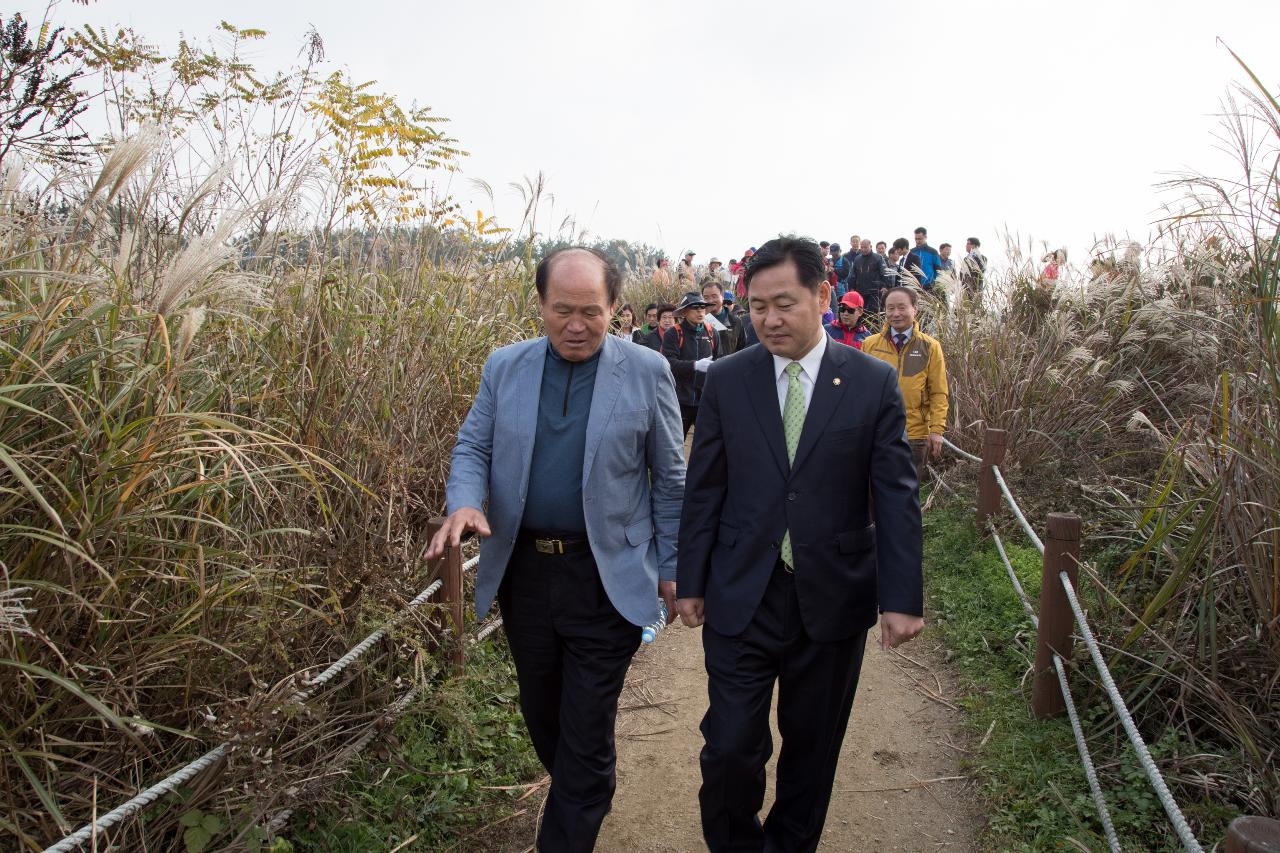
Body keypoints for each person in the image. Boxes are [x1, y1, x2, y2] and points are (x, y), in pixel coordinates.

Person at [426, 247, 685, 852]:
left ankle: (576, 809)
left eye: (591, 311)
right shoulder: (505, 367)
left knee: (586, 726)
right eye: (562, 309)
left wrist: (674, 566)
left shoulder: (647, 370)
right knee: (542, 713)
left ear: (615, 308)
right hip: (525, 576)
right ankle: (587, 783)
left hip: (607, 576)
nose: (576, 324)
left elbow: (671, 481)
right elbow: (473, 448)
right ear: (540, 305)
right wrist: (465, 500)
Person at [675, 236, 924, 853]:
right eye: (757, 306)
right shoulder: (730, 380)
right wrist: (691, 580)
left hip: (832, 598)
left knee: (812, 750)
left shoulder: (869, 383)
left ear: (822, 295)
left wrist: (902, 596)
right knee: (730, 748)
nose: (769, 319)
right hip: (742, 594)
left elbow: (895, 496)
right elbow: (704, 488)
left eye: (783, 303)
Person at [862, 285, 950, 485]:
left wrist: (936, 430)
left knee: (907, 495)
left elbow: (938, 392)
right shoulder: (870, 344)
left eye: (901, 307)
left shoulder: (930, 347)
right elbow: (861, 390)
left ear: (914, 309)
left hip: (915, 434)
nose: (895, 313)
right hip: (877, 432)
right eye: (890, 308)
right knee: (872, 493)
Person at [663, 291, 716, 436]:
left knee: (705, 443)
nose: (700, 310)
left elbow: (720, 360)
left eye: (702, 307)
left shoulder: (712, 333)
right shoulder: (673, 333)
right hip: (679, 400)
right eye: (695, 307)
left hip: (705, 400)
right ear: (685, 311)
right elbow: (668, 363)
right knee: (676, 441)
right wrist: (695, 365)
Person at [702, 277, 743, 354]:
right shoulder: (698, 322)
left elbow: (742, 348)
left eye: (714, 296)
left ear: (722, 297)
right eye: (706, 297)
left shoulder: (735, 321)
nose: (710, 301)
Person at [851, 238, 888, 315]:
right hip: (860, 291)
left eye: (866, 247)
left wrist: (885, 286)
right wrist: (852, 288)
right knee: (861, 313)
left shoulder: (878, 258)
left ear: (870, 246)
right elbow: (852, 275)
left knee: (873, 314)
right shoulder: (857, 259)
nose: (864, 249)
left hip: (875, 292)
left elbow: (885, 273)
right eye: (862, 247)